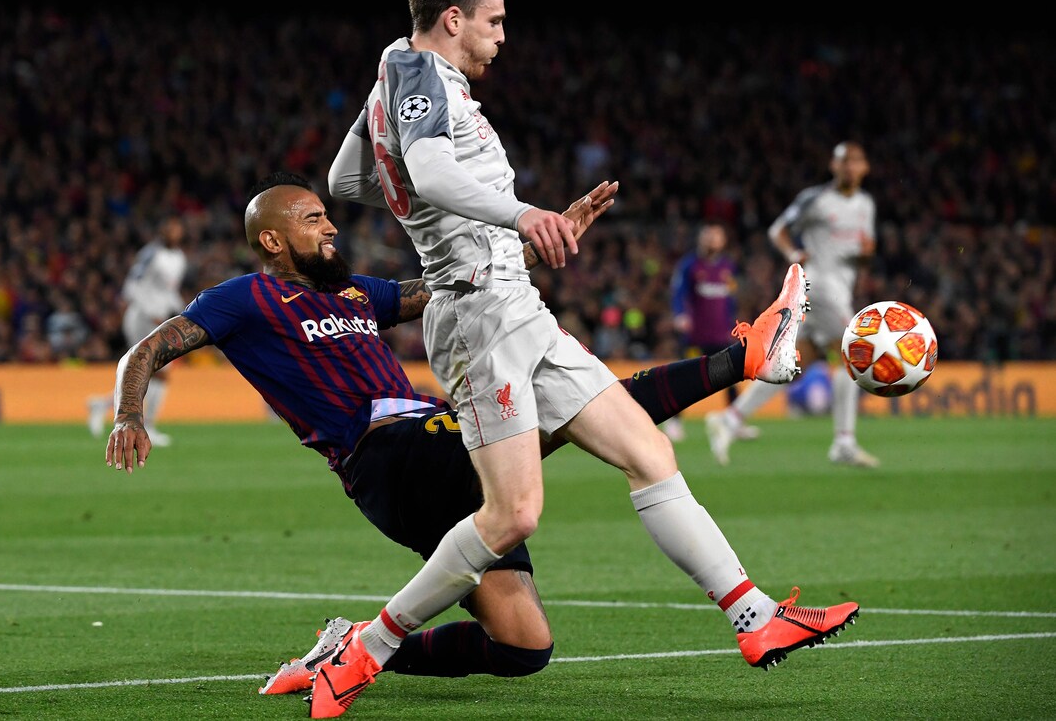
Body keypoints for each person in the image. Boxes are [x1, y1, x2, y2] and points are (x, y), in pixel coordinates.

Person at [324, 0, 858, 718]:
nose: (502, 36)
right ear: (453, 18)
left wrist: (470, 228)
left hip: (513, 304)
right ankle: (366, 649)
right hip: (477, 318)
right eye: (494, 21)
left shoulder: (396, 76)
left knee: (649, 453)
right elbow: (429, 175)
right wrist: (520, 217)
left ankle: (755, 616)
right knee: (513, 515)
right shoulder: (420, 73)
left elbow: (349, 179)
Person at [104, 174, 852, 707]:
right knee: (571, 405)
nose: (328, 225)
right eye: (310, 218)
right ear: (272, 238)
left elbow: (453, 287)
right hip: (387, 455)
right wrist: (129, 414)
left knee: (524, 649)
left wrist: (542, 245)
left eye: (327, 215)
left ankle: (352, 646)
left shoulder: (358, 293)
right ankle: (740, 360)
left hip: (438, 445)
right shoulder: (243, 298)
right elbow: (149, 348)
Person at [705, 141, 879, 468]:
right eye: (844, 161)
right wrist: (793, 253)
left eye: (856, 161)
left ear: (865, 167)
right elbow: (778, 230)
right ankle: (844, 441)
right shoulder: (816, 199)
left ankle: (730, 418)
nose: (850, 167)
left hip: (840, 290)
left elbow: (864, 250)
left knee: (792, 366)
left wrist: (865, 256)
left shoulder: (865, 204)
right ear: (834, 166)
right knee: (854, 353)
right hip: (820, 286)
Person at [88, 215, 188, 446]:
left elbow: (169, 291)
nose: (174, 233)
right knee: (157, 372)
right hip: (141, 317)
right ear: (163, 230)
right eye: (170, 228)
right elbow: (131, 286)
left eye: (177, 228)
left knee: (149, 373)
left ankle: (102, 405)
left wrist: (184, 311)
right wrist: (149, 311)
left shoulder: (179, 258)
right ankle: (147, 425)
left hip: (161, 319)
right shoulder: (150, 254)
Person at [662, 219, 758, 447]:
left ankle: (735, 423)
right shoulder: (689, 265)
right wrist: (680, 315)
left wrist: (733, 324)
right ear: (701, 238)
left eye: (716, 235)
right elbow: (678, 293)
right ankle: (674, 421)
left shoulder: (728, 267)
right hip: (695, 335)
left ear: (723, 240)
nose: (712, 240)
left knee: (731, 377)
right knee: (687, 378)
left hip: (720, 334)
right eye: (708, 235)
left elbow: (730, 299)